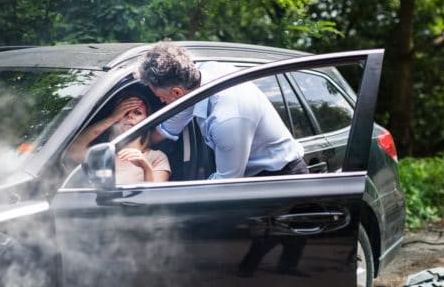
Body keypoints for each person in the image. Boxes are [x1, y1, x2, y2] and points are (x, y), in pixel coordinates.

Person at [135, 40, 308, 179]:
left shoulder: (227, 119)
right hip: (251, 177)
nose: (161, 101)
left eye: (160, 97)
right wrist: (122, 137)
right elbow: (166, 128)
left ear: (176, 92)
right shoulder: (201, 77)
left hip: (281, 179)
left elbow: (226, 182)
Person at [66, 92, 171, 184]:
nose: (130, 116)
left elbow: (154, 199)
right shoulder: (100, 154)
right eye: (124, 112)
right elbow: (72, 150)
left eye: (137, 113)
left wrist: (146, 167)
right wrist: (113, 117)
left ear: (146, 120)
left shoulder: (157, 157)